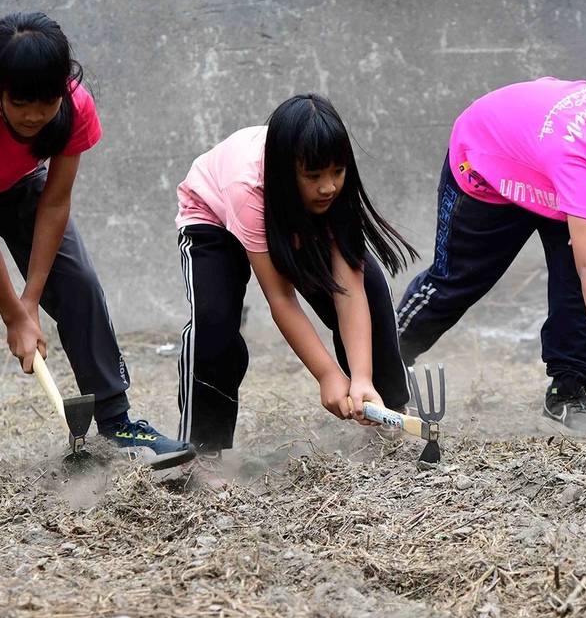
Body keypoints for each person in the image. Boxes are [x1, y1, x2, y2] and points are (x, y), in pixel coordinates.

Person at [0, 12, 193, 491]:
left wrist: (31, 299)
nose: (35, 115)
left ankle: (117, 420)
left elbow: (54, 203)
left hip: (14, 178)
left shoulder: (75, 107)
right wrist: (14, 316)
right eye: (20, 102)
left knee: (78, 280)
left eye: (46, 101)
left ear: (64, 87)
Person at [396, 76, 586, 432]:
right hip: (486, 164)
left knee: (574, 277)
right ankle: (384, 361)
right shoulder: (582, 163)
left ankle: (568, 393)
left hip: (548, 169)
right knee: (458, 279)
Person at [174, 94, 417, 482]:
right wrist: (326, 375)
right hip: (213, 215)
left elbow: (348, 289)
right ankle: (202, 449)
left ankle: (389, 414)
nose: (328, 187)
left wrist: (361, 378)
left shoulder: (333, 189)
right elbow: (281, 297)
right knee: (214, 323)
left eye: (337, 172)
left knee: (372, 286)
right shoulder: (247, 186)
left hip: (291, 212)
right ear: (288, 171)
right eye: (314, 176)